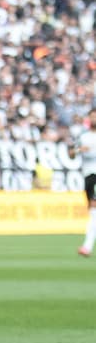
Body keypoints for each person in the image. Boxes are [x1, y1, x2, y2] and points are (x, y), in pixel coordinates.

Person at [75, 108, 96, 257]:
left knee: (94, 210)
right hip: (88, 175)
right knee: (92, 210)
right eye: (92, 116)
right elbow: (71, 153)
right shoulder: (83, 136)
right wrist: (79, 150)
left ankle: (87, 246)